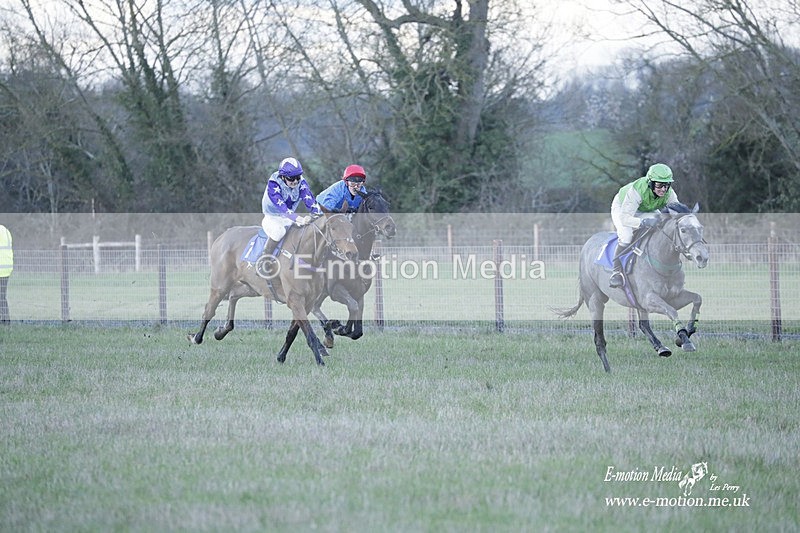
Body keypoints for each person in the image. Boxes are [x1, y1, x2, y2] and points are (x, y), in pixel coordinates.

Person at [609, 163, 679, 288]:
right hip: (623, 208)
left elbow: (676, 212)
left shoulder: (670, 193)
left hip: (645, 208)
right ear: (650, 183)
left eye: (667, 185)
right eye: (659, 185)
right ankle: (616, 271)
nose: (663, 189)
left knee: (660, 226)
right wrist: (642, 222)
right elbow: (625, 218)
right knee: (626, 236)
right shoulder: (637, 190)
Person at [258, 157, 323, 276]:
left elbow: (309, 199)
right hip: (272, 217)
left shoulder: (301, 182)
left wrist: (318, 215)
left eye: (298, 177)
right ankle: (264, 260)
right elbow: (282, 207)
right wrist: (299, 219)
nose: (295, 181)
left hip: (287, 218)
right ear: (282, 176)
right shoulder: (273, 184)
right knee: (279, 232)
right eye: (291, 178)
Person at [0, 224, 12, 324]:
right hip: (6, 268)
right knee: (2, 296)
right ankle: (5, 321)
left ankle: (5, 321)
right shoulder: (5, 230)